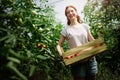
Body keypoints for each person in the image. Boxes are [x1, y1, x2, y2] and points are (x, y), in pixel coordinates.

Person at [56, 5, 98, 80]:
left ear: (76, 12)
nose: (70, 13)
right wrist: (60, 53)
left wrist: (98, 46)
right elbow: (59, 45)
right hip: (77, 61)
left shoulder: (85, 26)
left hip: (90, 59)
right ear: (67, 16)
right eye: (68, 12)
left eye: (72, 11)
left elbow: (92, 41)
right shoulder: (66, 29)